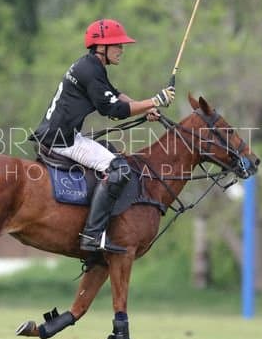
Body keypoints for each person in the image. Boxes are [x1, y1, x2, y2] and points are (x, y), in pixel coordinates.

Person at [31, 19, 174, 254]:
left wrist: (146, 107)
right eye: (117, 45)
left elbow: (116, 95)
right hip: (62, 140)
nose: (121, 50)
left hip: (61, 134)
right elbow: (114, 109)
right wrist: (155, 100)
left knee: (110, 151)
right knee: (120, 169)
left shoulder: (91, 66)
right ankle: (92, 234)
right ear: (101, 47)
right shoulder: (90, 70)